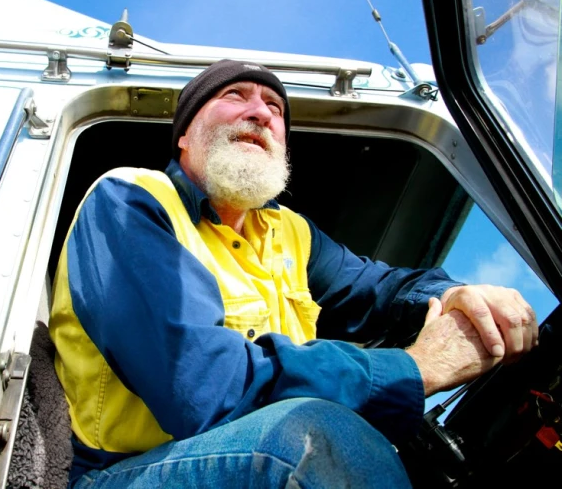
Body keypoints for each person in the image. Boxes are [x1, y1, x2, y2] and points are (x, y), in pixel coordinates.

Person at [49, 59, 538, 488]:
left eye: (275, 109)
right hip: (126, 473)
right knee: (313, 437)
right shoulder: (131, 199)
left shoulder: (291, 233)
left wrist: (456, 294)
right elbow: (204, 387)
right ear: (183, 134)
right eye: (233, 96)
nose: (260, 112)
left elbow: (381, 289)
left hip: (253, 454)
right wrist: (416, 368)